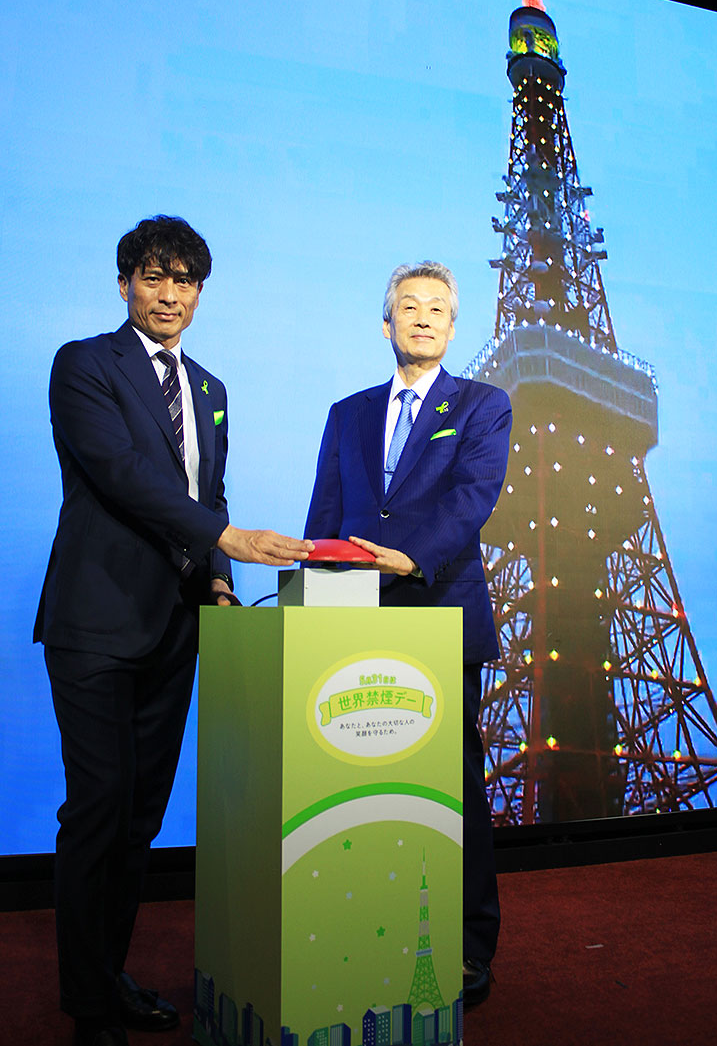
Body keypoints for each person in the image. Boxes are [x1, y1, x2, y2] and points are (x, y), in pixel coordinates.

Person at [34, 215, 314, 1046]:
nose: (168, 294)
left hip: (177, 627)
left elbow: (207, 495)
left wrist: (220, 578)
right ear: (124, 283)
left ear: (199, 292)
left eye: (183, 280)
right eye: (152, 277)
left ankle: (107, 975)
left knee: (139, 821)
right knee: (98, 809)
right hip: (95, 621)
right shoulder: (85, 365)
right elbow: (120, 475)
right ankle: (87, 1006)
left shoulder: (212, 389)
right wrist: (227, 537)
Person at [304, 260, 512, 1006]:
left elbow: (473, 498)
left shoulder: (483, 404)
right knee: (355, 783)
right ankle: (366, 927)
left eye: (436, 309)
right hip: (351, 619)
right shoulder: (348, 413)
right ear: (385, 322)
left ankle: (468, 944)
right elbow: (325, 515)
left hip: (441, 610)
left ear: (453, 327)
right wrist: (309, 597)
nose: (422, 318)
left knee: (454, 783)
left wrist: (411, 557)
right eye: (408, 306)